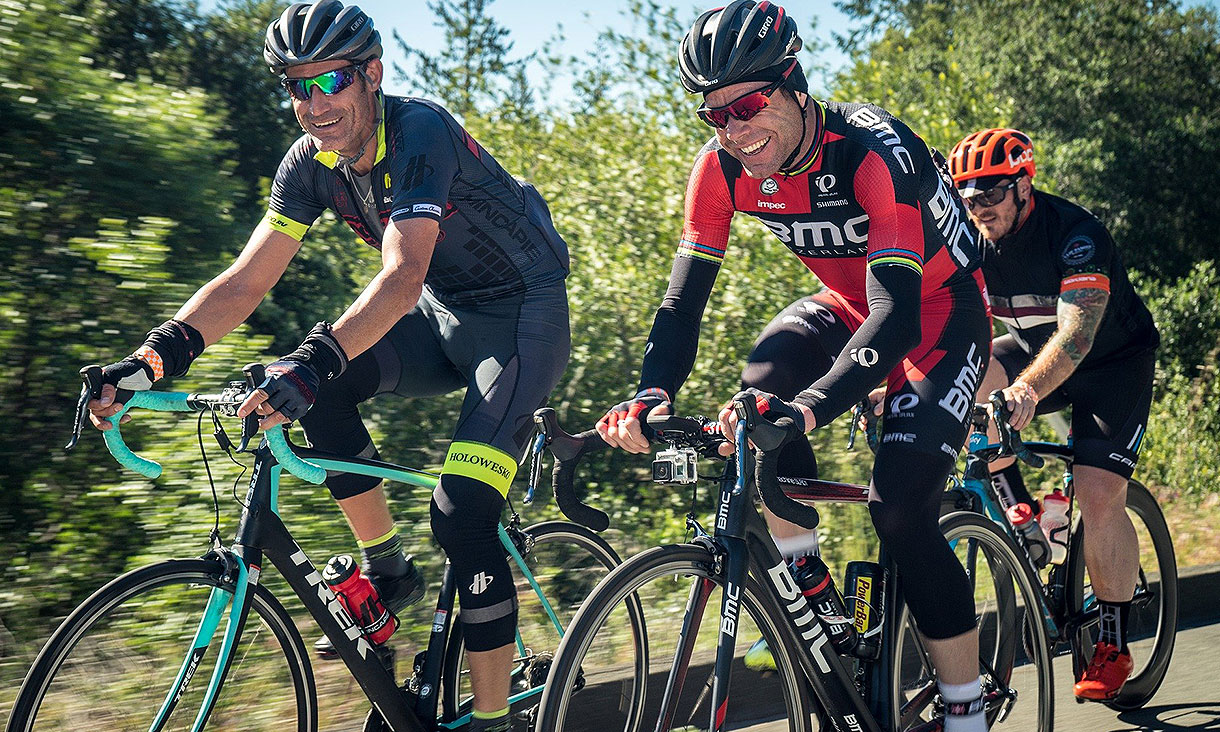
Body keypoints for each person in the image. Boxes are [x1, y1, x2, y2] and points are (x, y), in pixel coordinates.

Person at [86, 2, 571, 729]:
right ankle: (389, 572)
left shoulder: (419, 132)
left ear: (371, 75)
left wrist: (313, 361)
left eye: (332, 81)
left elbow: (402, 276)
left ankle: (496, 718)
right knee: (314, 385)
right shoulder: (310, 164)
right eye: (297, 87)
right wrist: (150, 362)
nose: (315, 105)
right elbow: (246, 282)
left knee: (462, 510)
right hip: (443, 317)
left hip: (522, 320)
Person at [597, 2, 991, 728]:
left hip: (937, 313)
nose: (734, 131)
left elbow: (899, 314)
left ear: (795, 86)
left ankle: (967, 705)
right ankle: (808, 582)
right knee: (755, 401)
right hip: (847, 303)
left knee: (899, 509)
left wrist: (808, 409)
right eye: (714, 116)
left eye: (747, 106)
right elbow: (682, 307)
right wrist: (650, 395)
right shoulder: (721, 169)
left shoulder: (874, 151)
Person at [949, 128, 1160, 702]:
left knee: (1097, 493)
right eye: (965, 196)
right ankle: (1020, 509)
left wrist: (1024, 392)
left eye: (989, 192)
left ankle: (1113, 643)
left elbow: (1077, 332)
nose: (977, 207)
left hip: (1112, 362)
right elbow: (940, 322)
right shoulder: (967, 238)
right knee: (959, 380)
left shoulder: (1076, 235)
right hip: (1029, 349)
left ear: (1023, 183)